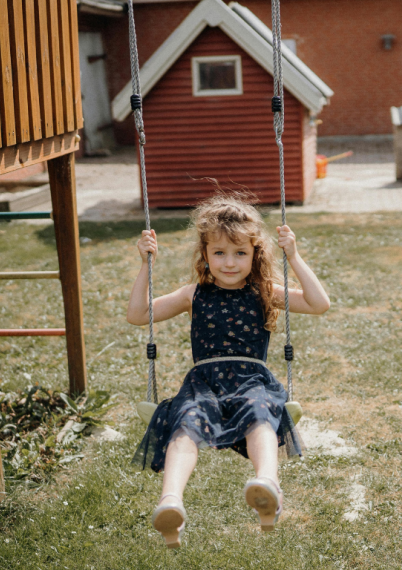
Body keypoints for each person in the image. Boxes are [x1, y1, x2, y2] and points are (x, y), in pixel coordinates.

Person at [127, 195, 330, 546]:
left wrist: (293, 256)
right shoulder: (193, 294)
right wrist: (146, 264)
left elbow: (318, 303)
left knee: (259, 412)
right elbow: (138, 315)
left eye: (240, 253)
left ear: (255, 255)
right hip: (203, 383)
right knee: (185, 423)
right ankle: (170, 502)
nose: (230, 262)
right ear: (204, 255)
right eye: (219, 253)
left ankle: (267, 483)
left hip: (252, 379)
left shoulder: (265, 291)